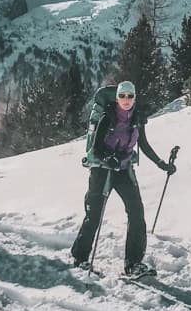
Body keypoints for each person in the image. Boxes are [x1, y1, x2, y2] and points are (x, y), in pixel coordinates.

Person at [70, 81, 176, 277]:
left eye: (130, 96)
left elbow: (142, 144)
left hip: (124, 169)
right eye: (122, 96)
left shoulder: (136, 117)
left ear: (134, 98)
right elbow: (96, 149)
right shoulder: (107, 117)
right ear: (117, 97)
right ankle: (80, 257)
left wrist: (161, 163)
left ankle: (134, 263)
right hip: (102, 169)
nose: (126, 100)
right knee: (94, 214)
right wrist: (108, 159)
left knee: (136, 212)